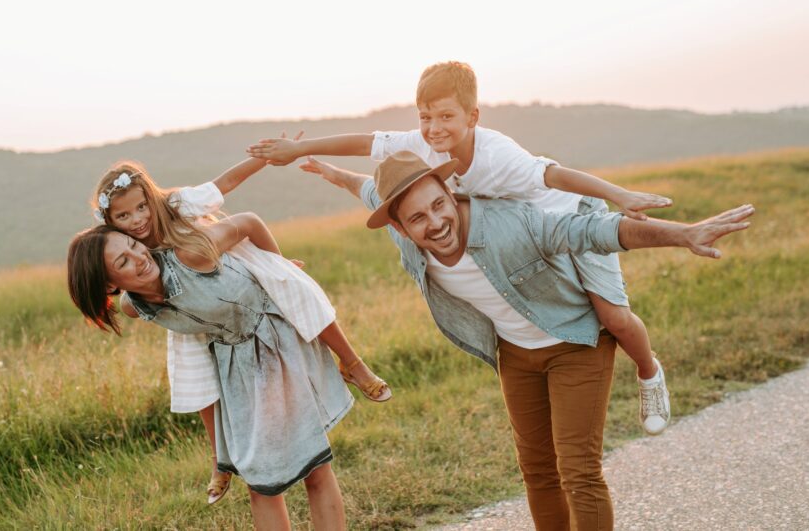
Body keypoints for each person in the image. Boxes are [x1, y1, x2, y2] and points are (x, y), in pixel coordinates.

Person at [298, 151, 753, 530]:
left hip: (577, 339)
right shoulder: (407, 241)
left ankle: (649, 370)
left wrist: (683, 234)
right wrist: (331, 171)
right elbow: (367, 188)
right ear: (399, 228)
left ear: (450, 193)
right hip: (516, 354)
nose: (435, 222)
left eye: (440, 205)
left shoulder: (510, 224)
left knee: (578, 470)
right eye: (417, 218)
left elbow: (594, 232)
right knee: (537, 472)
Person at [247, 61, 674, 434]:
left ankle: (649, 373)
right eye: (425, 117)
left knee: (612, 315)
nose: (433, 128)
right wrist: (304, 151)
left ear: (473, 116)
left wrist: (621, 195)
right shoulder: (421, 145)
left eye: (446, 116)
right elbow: (364, 145)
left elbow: (558, 177)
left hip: (572, 215)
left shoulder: (499, 155)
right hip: (524, 236)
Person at [90, 156, 389, 504]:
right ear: (110, 223)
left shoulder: (176, 204)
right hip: (186, 307)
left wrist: (278, 264)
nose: (137, 219)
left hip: (228, 271)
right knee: (192, 374)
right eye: (123, 216)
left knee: (300, 293)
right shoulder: (128, 249)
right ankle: (220, 458)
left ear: (151, 197)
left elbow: (226, 185)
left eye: (141, 207)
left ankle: (353, 363)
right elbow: (117, 278)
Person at [67, 214, 353, 531]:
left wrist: (280, 268)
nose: (139, 258)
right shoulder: (136, 307)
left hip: (277, 347)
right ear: (109, 284)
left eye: (135, 245)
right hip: (237, 374)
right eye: (123, 261)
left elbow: (248, 222)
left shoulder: (188, 256)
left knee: (315, 468)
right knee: (259, 483)